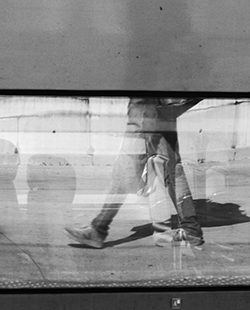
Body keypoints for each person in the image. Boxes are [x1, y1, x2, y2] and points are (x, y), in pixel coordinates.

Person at [65, 97, 204, 249]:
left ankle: (98, 228)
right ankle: (191, 228)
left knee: (126, 167)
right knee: (172, 168)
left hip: (146, 104)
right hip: (161, 105)